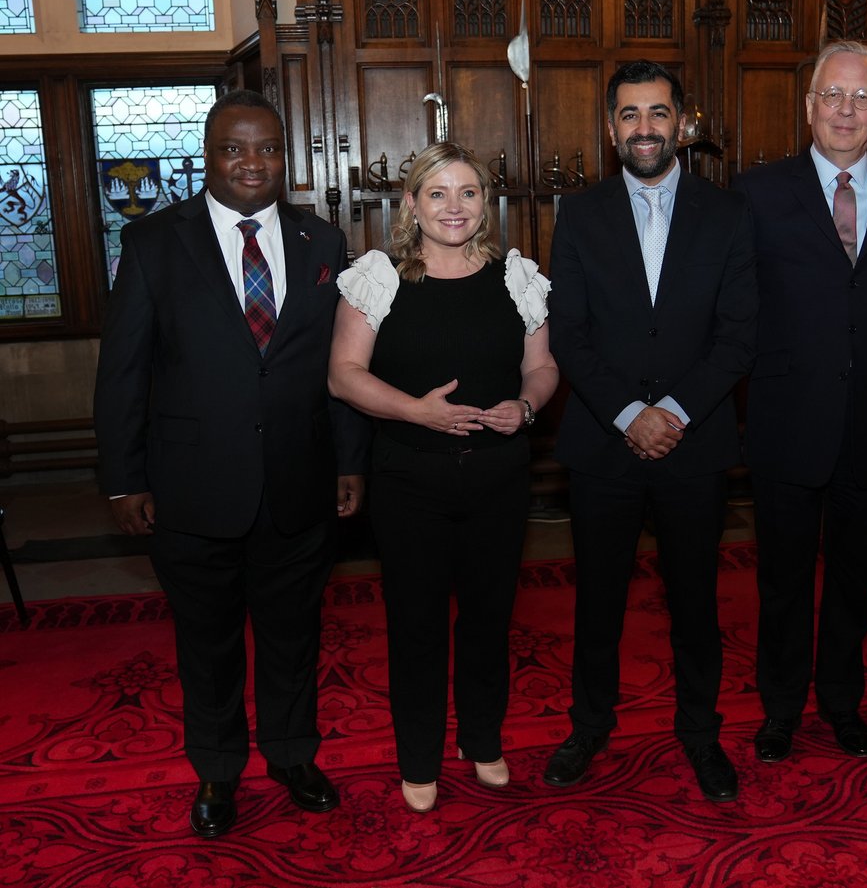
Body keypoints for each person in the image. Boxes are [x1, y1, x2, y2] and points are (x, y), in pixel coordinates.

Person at [93, 89, 370, 838]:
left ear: (287, 156)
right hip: (190, 490)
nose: (253, 162)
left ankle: (291, 755)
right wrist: (124, 476)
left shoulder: (323, 241)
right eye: (234, 148)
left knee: (294, 636)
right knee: (206, 645)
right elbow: (123, 370)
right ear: (207, 156)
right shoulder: (154, 243)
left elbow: (338, 368)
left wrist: (349, 460)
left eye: (268, 148)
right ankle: (217, 772)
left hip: (298, 481)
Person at [543, 60, 757, 803]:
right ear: (611, 129)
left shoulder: (728, 214)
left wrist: (675, 412)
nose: (644, 128)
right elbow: (568, 332)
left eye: (658, 113)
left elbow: (738, 334)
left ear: (682, 123)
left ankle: (701, 734)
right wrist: (632, 414)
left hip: (695, 444)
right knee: (597, 599)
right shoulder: (580, 214)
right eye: (630, 115)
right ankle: (589, 725)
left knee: (696, 601)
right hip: (604, 442)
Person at [327, 142, 557, 814]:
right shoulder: (380, 277)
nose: (453, 207)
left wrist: (528, 404)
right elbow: (343, 374)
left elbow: (542, 366)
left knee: (489, 619)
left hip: (499, 480)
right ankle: (419, 755)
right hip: (409, 482)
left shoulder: (516, 276)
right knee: (418, 624)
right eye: (437, 193)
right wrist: (418, 413)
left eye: (468, 193)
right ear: (411, 203)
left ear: (487, 204)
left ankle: (483, 739)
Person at [733, 41, 867, 764]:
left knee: (856, 580)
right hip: (787, 424)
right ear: (809, 104)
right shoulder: (756, 193)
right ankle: (782, 707)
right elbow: (740, 310)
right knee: (783, 580)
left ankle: (843, 703)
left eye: (861, 98)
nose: (846, 110)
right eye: (832, 96)